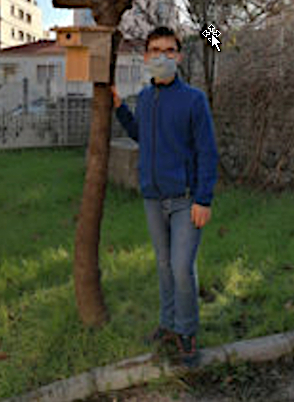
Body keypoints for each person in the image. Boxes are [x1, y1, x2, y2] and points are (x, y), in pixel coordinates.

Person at [111, 26, 218, 368]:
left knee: (181, 268)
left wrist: (204, 199)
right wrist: (119, 109)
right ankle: (168, 324)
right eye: (155, 50)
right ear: (145, 58)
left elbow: (207, 152)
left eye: (169, 50)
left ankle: (187, 332)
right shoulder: (144, 98)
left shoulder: (194, 99)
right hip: (153, 200)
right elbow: (143, 136)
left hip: (186, 199)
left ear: (180, 56)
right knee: (163, 266)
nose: (162, 57)